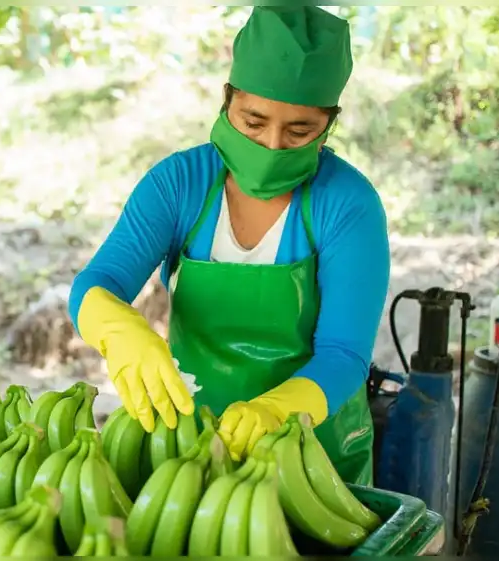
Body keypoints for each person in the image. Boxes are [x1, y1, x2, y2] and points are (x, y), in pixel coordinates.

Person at [69, 6, 390, 486]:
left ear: (330, 123)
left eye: (299, 130)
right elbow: (100, 281)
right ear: (227, 100)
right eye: (253, 121)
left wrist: (277, 411)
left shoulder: (347, 204)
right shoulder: (180, 184)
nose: (272, 145)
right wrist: (118, 329)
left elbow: (344, 353)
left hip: (313, 457)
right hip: (190, 442)